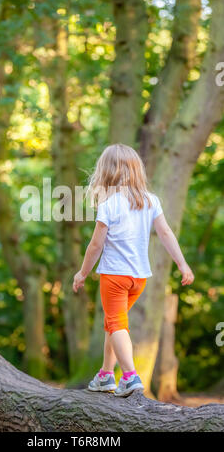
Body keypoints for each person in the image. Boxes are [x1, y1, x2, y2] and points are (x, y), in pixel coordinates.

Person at [73, 144, 194, 397]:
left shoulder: (109, 205)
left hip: (115, 277)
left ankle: (129, 376)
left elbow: (96, 244)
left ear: (106, 172)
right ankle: (106, 374)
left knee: (116, 325)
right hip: (139, 278)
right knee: (112, 325)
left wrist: (82, 273)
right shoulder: (151, 201)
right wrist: (182, 263)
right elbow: (165, 233)